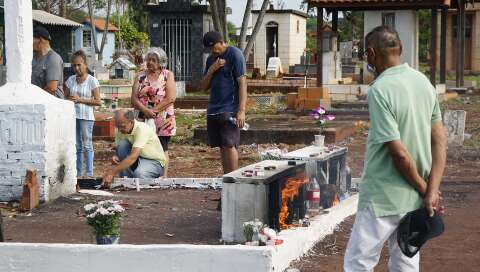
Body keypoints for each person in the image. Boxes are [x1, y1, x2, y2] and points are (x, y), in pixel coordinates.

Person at [343, 26, 447, 271]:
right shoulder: (424, 83)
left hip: (383, 195)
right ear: (400, 49)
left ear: (370, 53)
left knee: (358, 263)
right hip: (414, 199)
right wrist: (430, 191)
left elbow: (398, 153)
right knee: (405, 263)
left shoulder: (380, 90)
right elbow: (440, 141)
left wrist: (426, 190)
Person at [199, 31, 247, 174]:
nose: (213, 51)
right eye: (210, 49)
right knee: (222, 146)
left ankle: (234, 181)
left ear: (221, 42)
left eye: (214, 48)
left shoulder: (235, 54)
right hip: (214, 109)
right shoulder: (211, 60)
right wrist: (212, 70)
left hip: (230, 108)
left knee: (230, 144)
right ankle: (227, 181)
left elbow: (243, 83)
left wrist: (241, 110)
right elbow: (202, 86)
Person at [131, 47, 176, 177]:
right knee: (142, 146)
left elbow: (171, 98)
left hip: (163, 119)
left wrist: (153, 111)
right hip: (142, 117)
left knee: (163, 147)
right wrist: (145, 110)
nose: (150, 62)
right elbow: (133, 99)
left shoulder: (167, 75)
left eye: (154, 60)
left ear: (160, 62)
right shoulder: (140, 76)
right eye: (148, 59)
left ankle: (164, 177)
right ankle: (145, 174)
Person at [102, 110, 166, 187]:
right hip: (139, 159)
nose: (120, 129)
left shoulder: (142, 129)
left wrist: (112, 173)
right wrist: (116, 157)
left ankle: (149, 181)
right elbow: (120, 148)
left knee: (140, 173)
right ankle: (126, 180)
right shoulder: (121, 129)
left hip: (154, 162)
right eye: (118, 126)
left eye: (122, 126)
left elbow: (133, 157)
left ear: (131, 122)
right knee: (123, 144)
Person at [64, 50, 101, 178]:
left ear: (85, 64)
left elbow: (98, 102)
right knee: (77, 145)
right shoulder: (70, 80)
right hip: (73, 117)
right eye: (74, 65)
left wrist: (80, 99)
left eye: (79, 65)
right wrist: (70, 99)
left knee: (87, 145)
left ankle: (89, 173)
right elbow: (65, 98)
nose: (77, 68)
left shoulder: (92, 81)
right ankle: (79, 173)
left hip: (86, 117)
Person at [32, 26, 64, 99]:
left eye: (32, 40)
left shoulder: (53, 58)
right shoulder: (33, 58)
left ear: (40, 40)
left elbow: (51, 88)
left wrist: (33, 98)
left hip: (52, 105)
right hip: (38, 104)